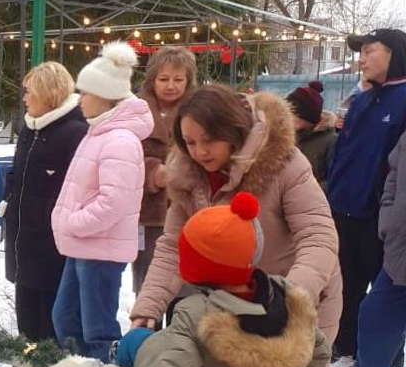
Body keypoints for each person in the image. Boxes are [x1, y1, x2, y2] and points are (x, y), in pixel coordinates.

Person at [130, 85, 341, 346]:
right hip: (234, 305)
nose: (200, 152)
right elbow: (175, 247)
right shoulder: (189, 176)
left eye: (209, 140)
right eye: (190, 142)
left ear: (233, 130)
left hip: (299, 302)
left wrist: (288, 298)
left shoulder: (284, 164)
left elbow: (318, 237)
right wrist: (148, 307)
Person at [114, 193, 329, 367]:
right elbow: (317, 348)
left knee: (135, 341)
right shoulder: (285, 302)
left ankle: (117, 355)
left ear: (198, 266)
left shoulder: (197, 313)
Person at [50, 42, 153, 361]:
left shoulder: (119, 140)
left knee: (96, 330)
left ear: (107, 95)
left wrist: (74, 222)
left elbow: (113, 202)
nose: (80, 100)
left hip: (98, 248)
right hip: (85, 245)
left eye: (87, 93)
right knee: (66, 320)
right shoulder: (100, 133)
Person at [326, 28, 406, 367]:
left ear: (393, 54)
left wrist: (386, 210)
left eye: (369, 51)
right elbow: (342, 153)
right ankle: (346, 348)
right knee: (347, 283)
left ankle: (385, 361)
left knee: (383, 293)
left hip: (381, 215)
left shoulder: (403, 99)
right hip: (344, 209)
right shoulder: (359, 100)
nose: (361, 59)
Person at [1, 62, 87, 341]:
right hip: (24, 239)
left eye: (30, 92)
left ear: (49, 94)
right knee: (25, 312)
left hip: (52, 246)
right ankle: (28, 365)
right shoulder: (30, 129)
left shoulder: (75, 132)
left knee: (49, 318)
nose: (25, 99)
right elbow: (17, 172)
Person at [331, 126, 406, 367]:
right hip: (400, 245)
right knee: (377, 311)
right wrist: (389, 220)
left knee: (380, 310)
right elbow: (393, 177)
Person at [134, 46, 198, 297]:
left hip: (187, 210)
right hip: (146, 212)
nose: (171, 85)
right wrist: (152, 172)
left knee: (183, 285)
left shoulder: (198, 111)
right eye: (164, 79)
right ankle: (147, 332)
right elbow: (125, 154)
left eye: (178, 79)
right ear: (152, 79)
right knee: (147, 282)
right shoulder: (136, 110)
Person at [287, 80, 336, 190]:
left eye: (294, 112)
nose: (289, 117)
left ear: (308, 116)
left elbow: (334, 179)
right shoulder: (288, 138)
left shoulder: (331, 141)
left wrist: (309, 191)